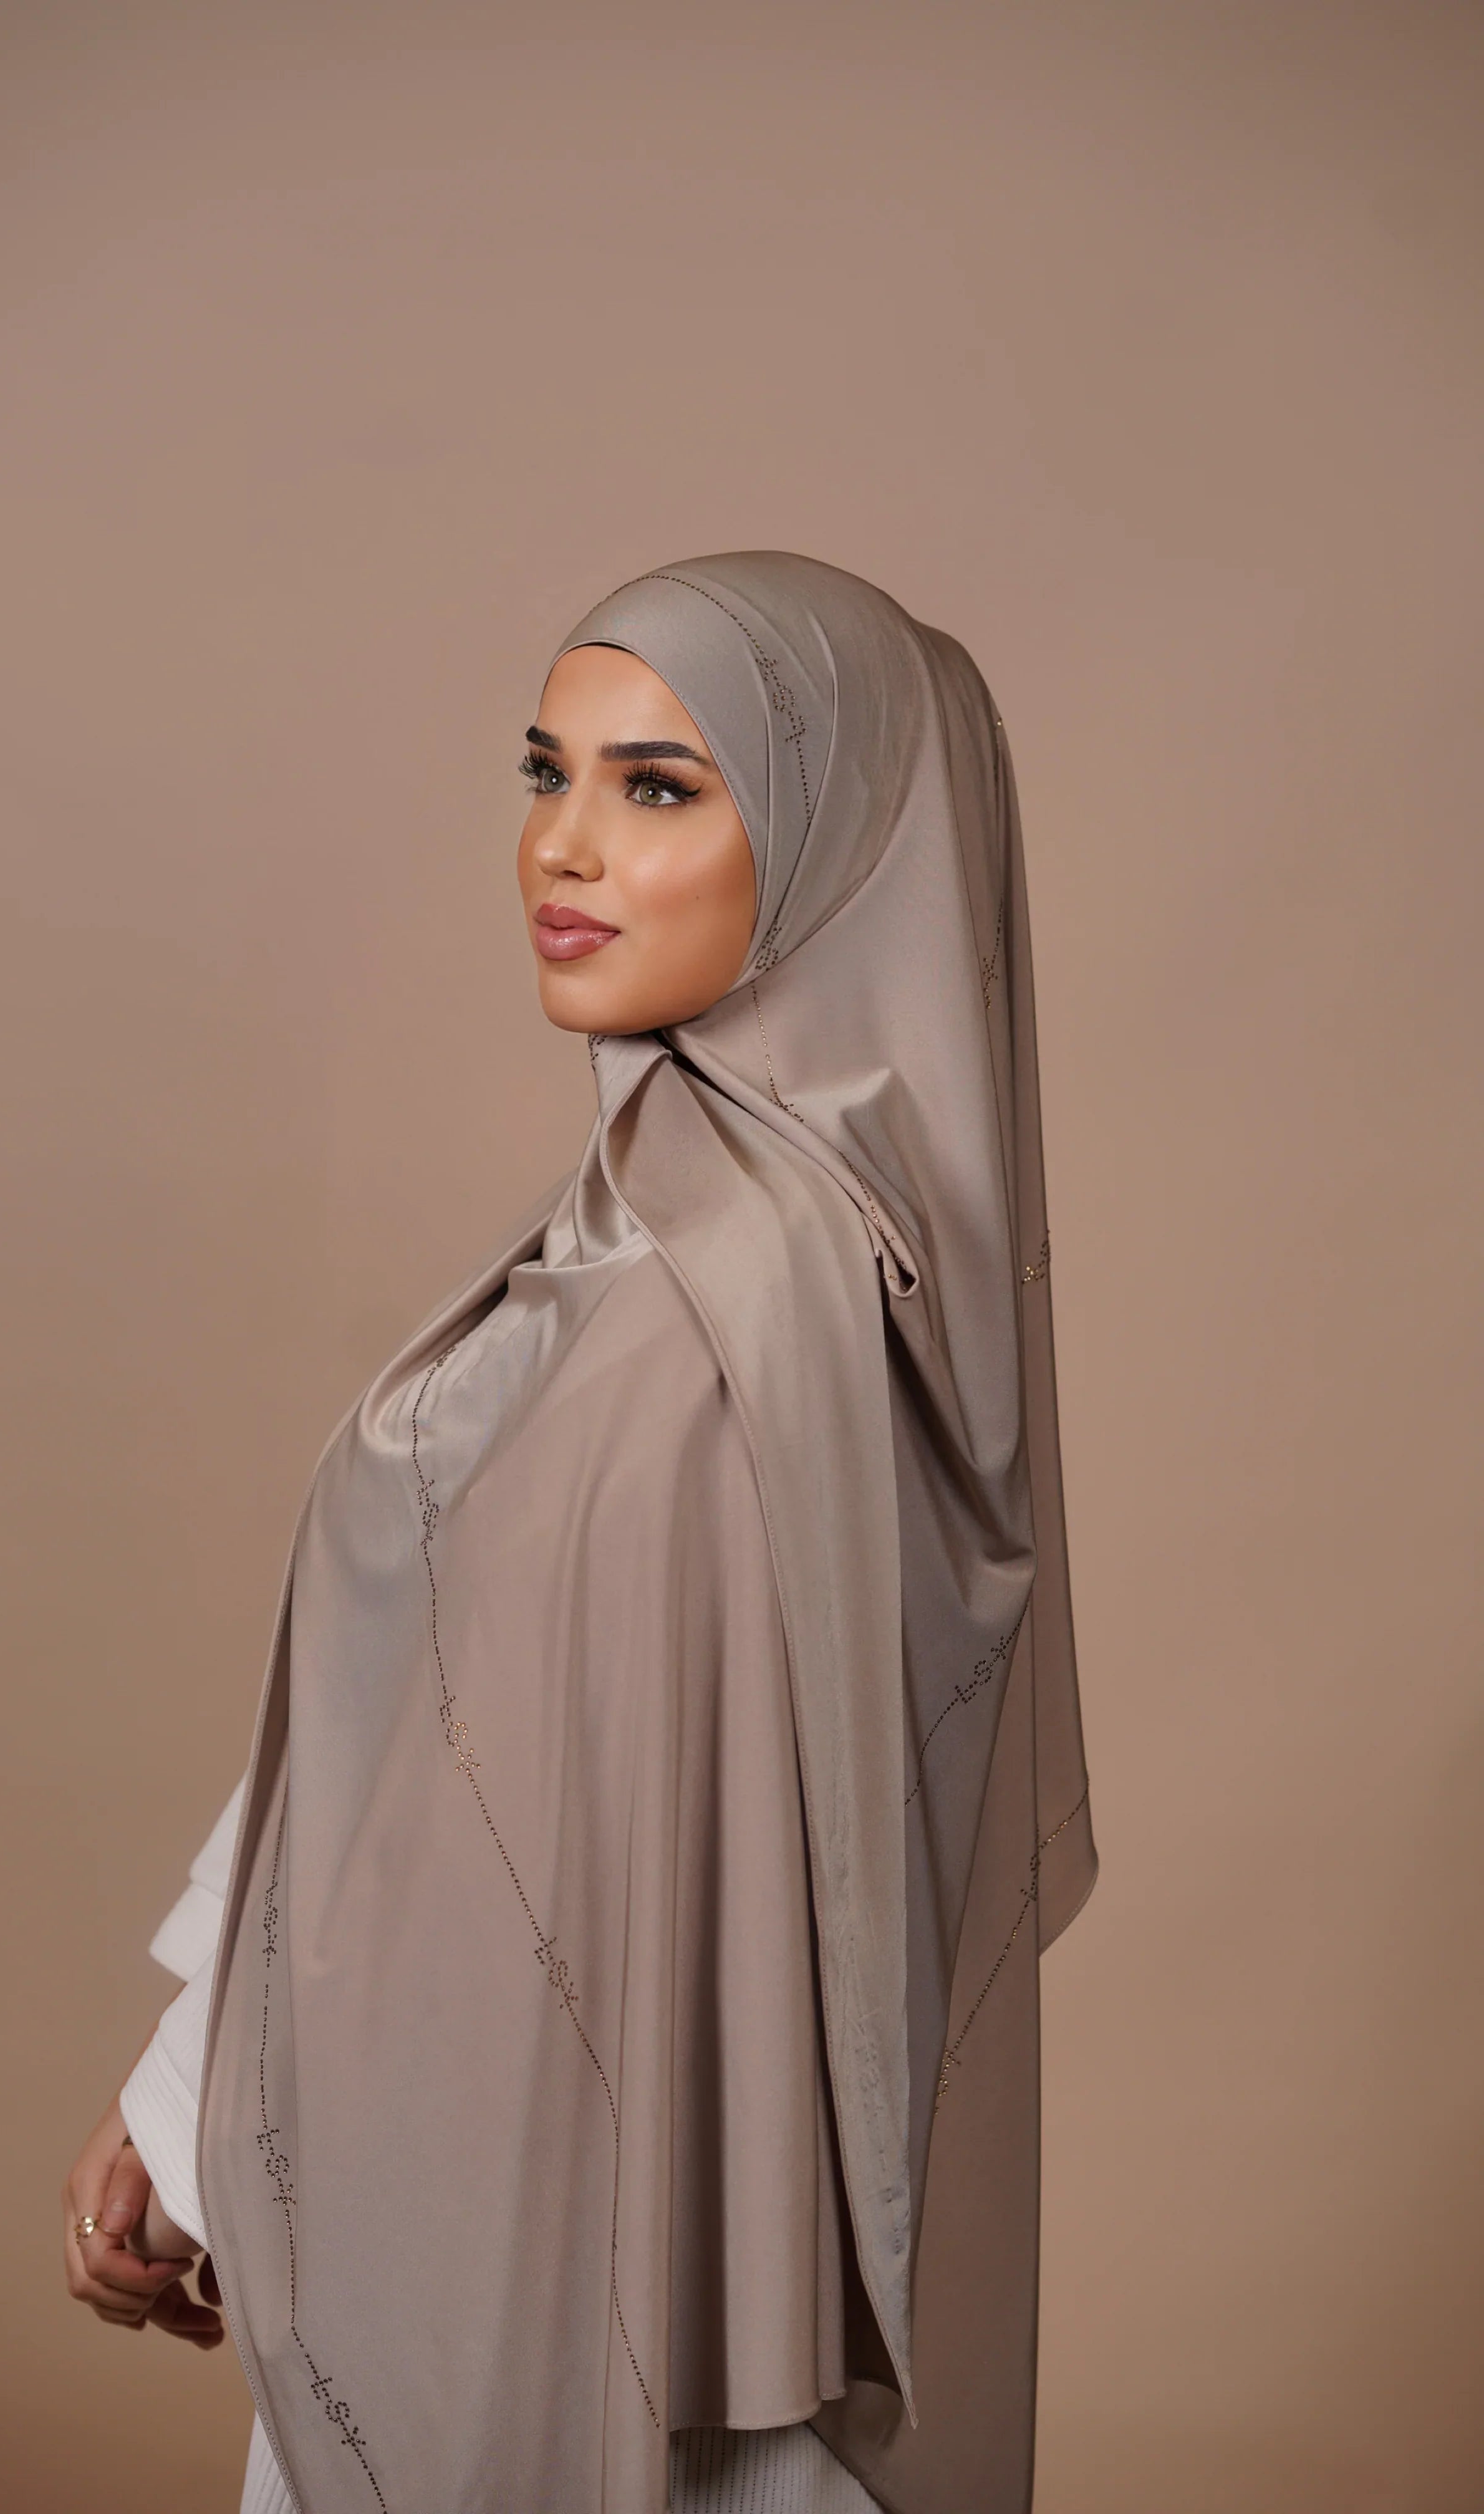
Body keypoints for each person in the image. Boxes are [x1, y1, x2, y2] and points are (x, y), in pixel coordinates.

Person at [62, 552, 1094, 2514]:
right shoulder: (696, 1219)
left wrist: (201, 2119)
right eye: (549, 772)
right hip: (589, 2214)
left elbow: (510, 1805)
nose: (562, 843)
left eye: (659, 787)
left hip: (606, 2287)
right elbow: (467, 1701)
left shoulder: (732, 1304)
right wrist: (188, 2080)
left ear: (832, 852)